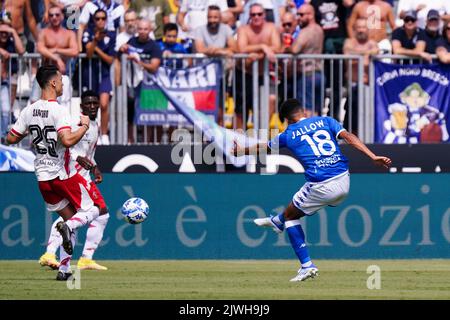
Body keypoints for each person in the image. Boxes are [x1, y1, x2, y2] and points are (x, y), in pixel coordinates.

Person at [232, 98, 392, 282]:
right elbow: (349, 137)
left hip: (322, 183)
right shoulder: (326, 120)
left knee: (291, 217)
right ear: (304, 112)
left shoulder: (288, 134)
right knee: (292, 209)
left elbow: (264, 147)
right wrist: (373, 156)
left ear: (287, 120)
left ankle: (306, 265)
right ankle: (277, 221)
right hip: (344, 180)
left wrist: (241, 151)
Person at [4, 65, 103, 281]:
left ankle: (64, 270)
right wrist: (84, 126)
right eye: (61, 80)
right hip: (62, 175)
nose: (64, 84)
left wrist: (33, 131)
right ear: (53, 83)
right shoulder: (58, 110)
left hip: (42, 179)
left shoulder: (28, 110)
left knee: (71, 218)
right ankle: (66, 228)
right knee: (95, 210)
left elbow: (10, 138)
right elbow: (67, 140)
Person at [39, 90, 110, 271]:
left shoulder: (94, 125)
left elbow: (88, 154)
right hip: (72, 175)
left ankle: (51, 253)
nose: (93, 106)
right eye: (88, 103)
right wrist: (78, 159)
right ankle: (83, 258)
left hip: (83, 175)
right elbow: (65, 143)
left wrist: (95, 168)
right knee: (98, 212)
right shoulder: (74, 121)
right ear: (82, 106)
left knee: (79, 214)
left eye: (95, 103)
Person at [236, 3, 281, 129]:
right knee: (241, 109)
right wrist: (263, 47)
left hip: (263, 75)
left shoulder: (271, 27)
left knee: (267, 105)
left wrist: (259, 55)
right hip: (245, 74)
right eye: (253, 14)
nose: (256, 17)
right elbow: (241, 48)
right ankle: (238, 140)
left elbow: (277, 47)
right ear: (249, 16)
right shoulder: (243, 29)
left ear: (264, 15)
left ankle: (260, 137)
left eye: (259, 14)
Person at [82, 8, 116, 145]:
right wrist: (95, 41)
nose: (100, 21)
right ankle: (88, 133)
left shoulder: (112, 35)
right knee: (88, 106)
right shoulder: (88, 32)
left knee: (103, 104)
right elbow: (88, 54)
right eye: (97, 18)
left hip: (105, 74)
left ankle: (104, 135)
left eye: (103, 18)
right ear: (93, 20)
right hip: (90, 73)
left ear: (106, 20)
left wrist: (95, 48)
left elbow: (110, 60)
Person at [33, 5, 78, 108]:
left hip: (62, 75)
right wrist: (56, 57)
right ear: (48, 17)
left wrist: (57, 50)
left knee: (63, 105)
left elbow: (75, 50)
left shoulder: (69, 34)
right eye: (51, 15)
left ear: (62, 16)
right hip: (44, 74)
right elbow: (40, 48)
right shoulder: (44, 32)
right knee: (35, 103)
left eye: (57, 15)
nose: (54, 17)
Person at [343, 18, 378, 135]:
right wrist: (366, 53)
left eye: (363, 27)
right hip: (352, 85)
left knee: (367, 112)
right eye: (358, 27)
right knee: (350, 111)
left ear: (368, 30)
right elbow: (347, 53)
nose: (361, 30)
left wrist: (361, 55)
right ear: (354, 29)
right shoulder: (349, 42)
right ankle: (349, 137)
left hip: (367, 86)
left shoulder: (372, 43)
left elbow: (376, 50)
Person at [288, 4, 324, 114]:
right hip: (319, 74)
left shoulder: (306, 31)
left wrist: (285, 48)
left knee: (306, 110)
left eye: (301, 15)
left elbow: (295, 49)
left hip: (307, 75)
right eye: (298, 14)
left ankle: (309, 132)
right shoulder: (319, 29)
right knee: (316, 110)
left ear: (311, 15)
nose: (298, 17)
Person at [0, 18, 25, 136]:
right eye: (1, 32)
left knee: (5, 110)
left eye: (6, 31)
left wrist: (13, 31)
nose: (4, 34)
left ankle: (2, 136)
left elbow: (21, 50)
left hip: (5, 82)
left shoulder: (11, 41)